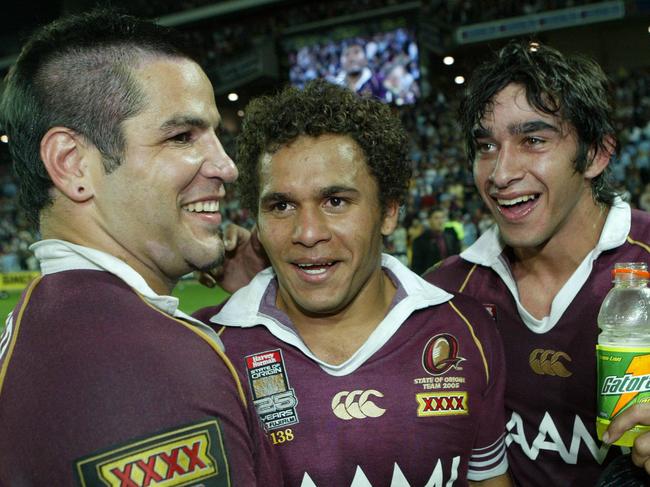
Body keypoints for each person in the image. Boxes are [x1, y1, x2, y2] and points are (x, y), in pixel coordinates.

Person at [0, 10, 281, 485]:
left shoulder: (52, 320)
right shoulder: (142, 367)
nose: (227, 166)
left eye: (215, 134)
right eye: (181, 136)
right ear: (72, 164)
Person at [195, 79, 512, 486]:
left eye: (336, 201)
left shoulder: (466, 330)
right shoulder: (209, 350)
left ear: (389, 212)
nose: (307, 232)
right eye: (282, 205)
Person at [423, 41, 650, 486]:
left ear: (596, 154)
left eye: (533, 140)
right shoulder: (445, 292)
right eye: (486, 145)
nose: (501, 173)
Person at [411, 207, 461, 274]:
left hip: (450, 278)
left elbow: (457, 260)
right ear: (429, 220)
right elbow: (416, 268)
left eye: (442, 218)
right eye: (436, 218)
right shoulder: (419, 241)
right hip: (429, 280)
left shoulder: (451, 237)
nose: (440, 221)